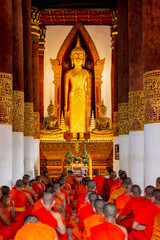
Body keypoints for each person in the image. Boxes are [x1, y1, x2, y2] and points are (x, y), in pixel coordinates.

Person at [64, 35, 91, 134]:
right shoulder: (69, 73)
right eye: (76, 56)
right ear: (71, 58)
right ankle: (73, 133)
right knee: (73, 116)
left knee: (82, 115)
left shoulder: (86, 73)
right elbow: (66, 90)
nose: (78, 59)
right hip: (73, 95)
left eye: (80, 56)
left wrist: (88, 104)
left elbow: (88, 90)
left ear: (84, 58)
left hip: (83, 96)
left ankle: (83, 132)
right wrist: (65, 104)